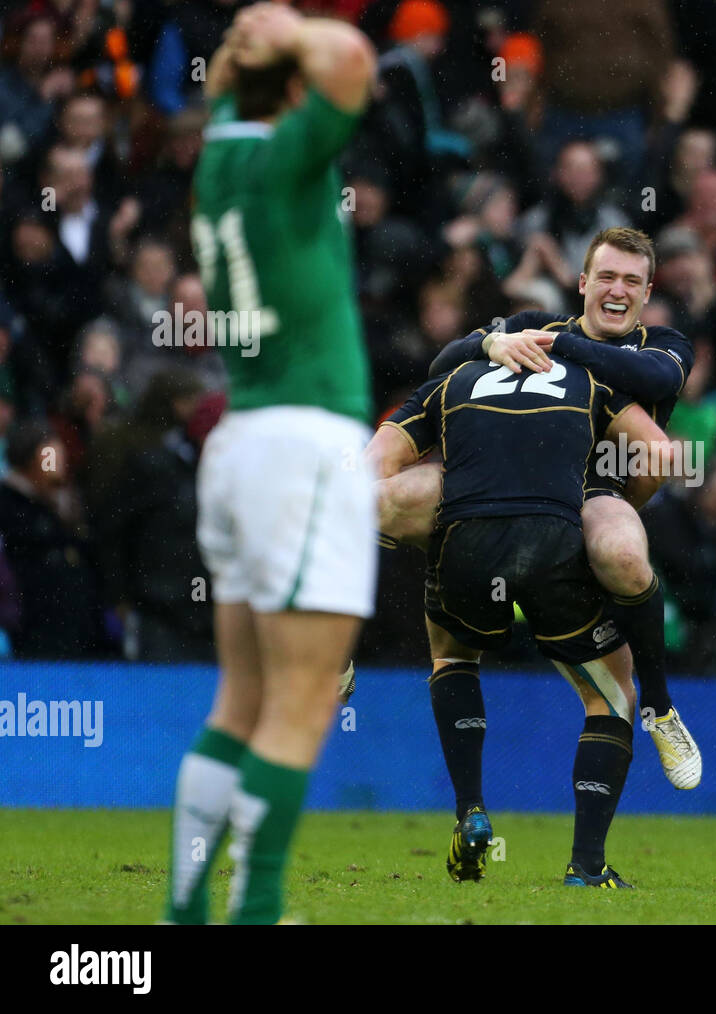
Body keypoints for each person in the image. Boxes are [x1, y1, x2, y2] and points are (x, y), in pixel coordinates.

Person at [163, 4, 377, 925]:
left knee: (240, 700)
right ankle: (255, 913)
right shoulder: (289, 159)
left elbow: (241, 89)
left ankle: (184, 911)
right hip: (306, 445)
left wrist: (253, 52)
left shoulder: (216, 154)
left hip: (242, 439)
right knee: (299, 703)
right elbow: (355, 59)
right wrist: (288, 29)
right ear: (290, 85)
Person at [364, 226, 703, 790]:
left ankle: (660, 710)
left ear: (647, 292)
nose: (617, 290)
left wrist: (557, 345)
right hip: (496, 481)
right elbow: (442, 364)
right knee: (374, 499)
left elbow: (656, 379)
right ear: (582, 282)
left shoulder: (661, 344)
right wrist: (487, 345)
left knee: (620, 550)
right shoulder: (528, 329)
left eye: (632, 281)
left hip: (592, 490)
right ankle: (339, 647)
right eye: (606, 277)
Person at [370, 350, 674, 887]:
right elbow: (658, 452)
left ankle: (471, 812)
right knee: (610, 697)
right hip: (555, 537)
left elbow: (376, 466)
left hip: (465, 535)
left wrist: (419, 508)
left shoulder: (450, 380)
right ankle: (586, 866)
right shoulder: (589, 378)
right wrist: (618, 502)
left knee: (452, 655)